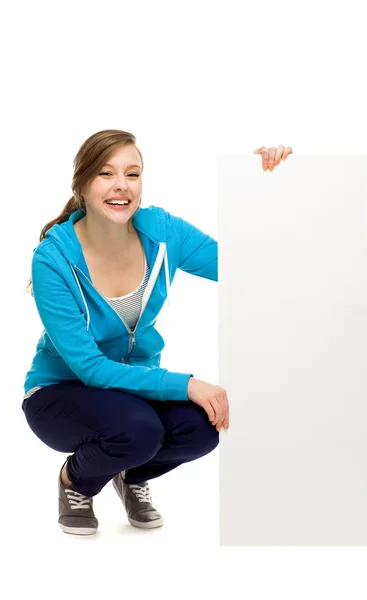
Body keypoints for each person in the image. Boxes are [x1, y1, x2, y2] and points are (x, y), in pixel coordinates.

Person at [22, 129, 292, 535]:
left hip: (131, 392)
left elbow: (241, 263)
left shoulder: (162, 232)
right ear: (82, 184)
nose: (121, 186)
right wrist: (187, 384)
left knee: (201, 428)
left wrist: (268, 184)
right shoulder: (53, 259)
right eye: (105, 173)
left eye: (132, 174)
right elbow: (91, 368)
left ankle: (130, 476)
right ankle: (75, 480)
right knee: (139, 430)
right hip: (61, 393)